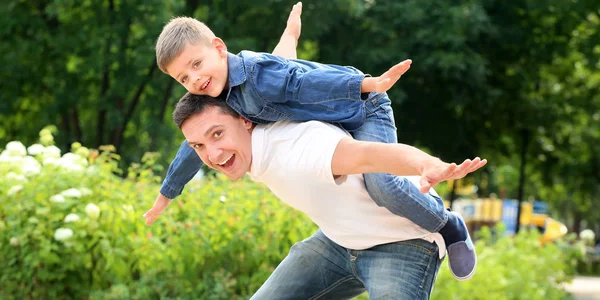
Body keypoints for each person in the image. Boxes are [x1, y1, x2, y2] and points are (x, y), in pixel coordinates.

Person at [144, 3, 477, 280]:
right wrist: (166, 194)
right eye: (183, 78)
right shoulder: (221, 93)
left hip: (363, 108)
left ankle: (447, 224)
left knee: (382, 186)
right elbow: (193, 143)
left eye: (197, 65)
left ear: (219, 48)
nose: (196, 80)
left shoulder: (257, 75)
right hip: (331, 118)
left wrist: (368, 84)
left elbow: (305, 80)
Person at [170, 93, 487, 299]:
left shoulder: (299, 148)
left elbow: (370, 155)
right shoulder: (251, 144)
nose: (212, 153)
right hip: (337, 242)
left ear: (245, 120)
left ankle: (446, 222)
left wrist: (427, 164)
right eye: (199, 145)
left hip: (403, 242)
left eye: (217, 134)